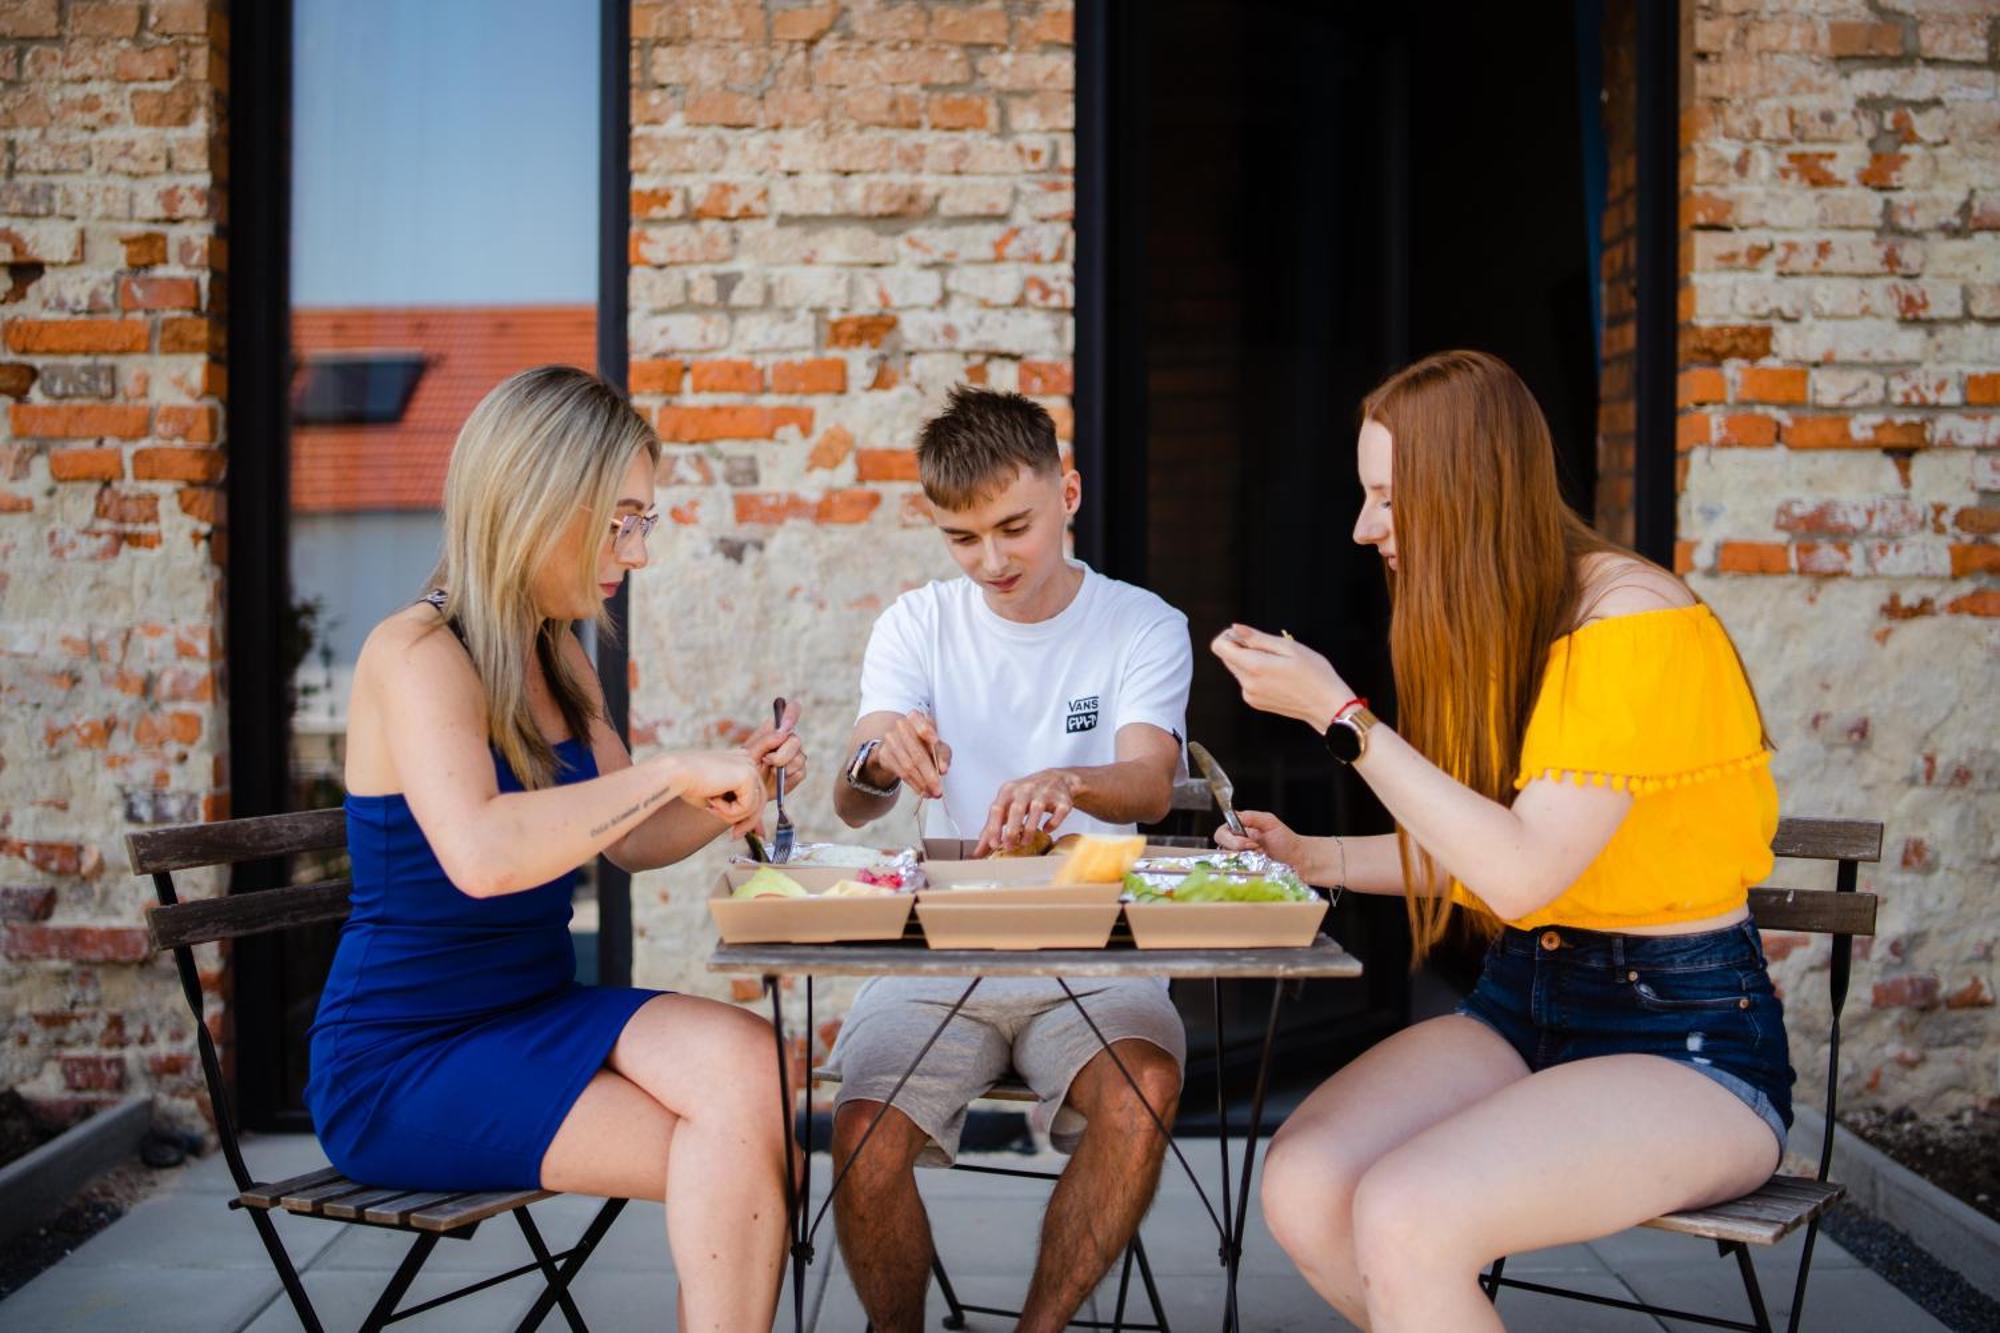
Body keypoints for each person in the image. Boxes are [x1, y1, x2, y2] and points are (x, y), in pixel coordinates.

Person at [1210, 349, 1794, 1333]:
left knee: (1406, 1212)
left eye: (1386, 499)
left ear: (1466, 490)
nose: (1363, 529)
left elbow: (1519, 878)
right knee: (1306, 1180)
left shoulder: (1631, 623)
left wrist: (1343, 719)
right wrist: (1311, 858)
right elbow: (1498, 847)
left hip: (1685, 1038)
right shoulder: (1515, 617)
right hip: (1526, 1003)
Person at [304, 365, 801, 1332]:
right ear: (537, 499)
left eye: (643, 521)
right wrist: (667, 769)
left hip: (533, 1008)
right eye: (620, 520)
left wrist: (724, 785)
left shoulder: (557, 651)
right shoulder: (415, 654)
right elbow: (483, 855)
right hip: (403, 1055)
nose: (638, 551)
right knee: (739, 1140)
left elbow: (634, 841)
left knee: (758, 1069)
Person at [825, 386, 1193, 1333]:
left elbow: (1152, 783)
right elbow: (855, 794)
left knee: (1144, 1088)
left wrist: (1067, 783)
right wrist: (876, 757)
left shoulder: (1142, 622)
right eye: (961, 537)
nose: (990, 561)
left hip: (1095, 940)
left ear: (1068, 492)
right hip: (945, 942)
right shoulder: (918, 623)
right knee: (861, 1131)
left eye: (1013, 527)